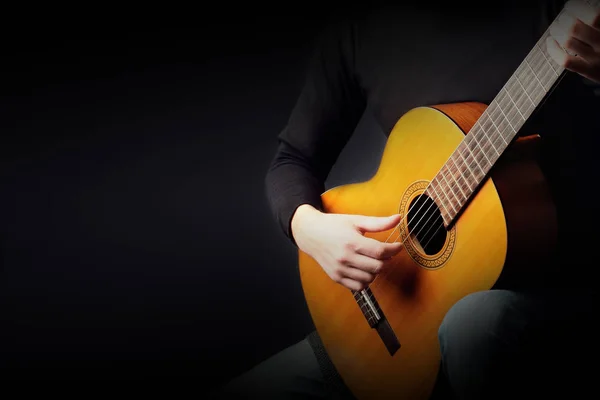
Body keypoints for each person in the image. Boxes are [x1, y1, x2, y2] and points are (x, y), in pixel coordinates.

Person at [216, 0, 599, 398]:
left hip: (556, 291)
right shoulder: (358, 26)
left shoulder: (561, 12)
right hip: (402, 309)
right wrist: (308, 228)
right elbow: (292, 160)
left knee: (472, 324)